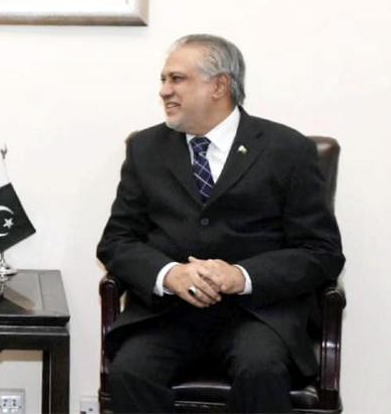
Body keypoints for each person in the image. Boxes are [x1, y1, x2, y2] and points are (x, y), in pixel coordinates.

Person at [97, 34, 345, 413]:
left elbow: (322, 252)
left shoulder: (287, 150)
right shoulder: (146, 149)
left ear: (219, 85)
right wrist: (169, 274)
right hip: (169, 314)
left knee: (260, 369)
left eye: (177, 79)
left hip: (258, 314)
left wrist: (241, 276)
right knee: (130, 373)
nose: (164, 91)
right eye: (163, 79)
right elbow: (116, 241)